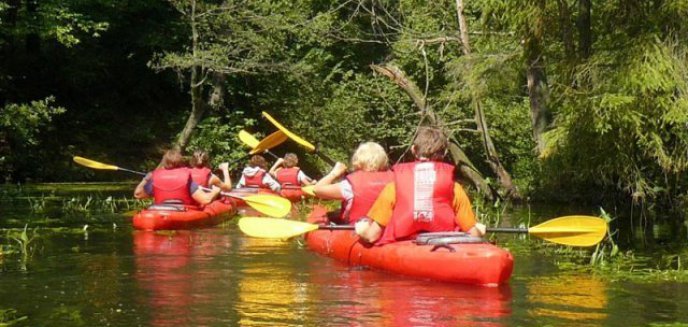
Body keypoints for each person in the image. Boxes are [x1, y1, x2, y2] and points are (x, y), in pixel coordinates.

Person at [355, 127, 486, 245]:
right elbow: (472, 235)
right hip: (442, 247)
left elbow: (372, 236)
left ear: (413, 150)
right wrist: (480, 230)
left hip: (405, 248)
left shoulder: (394, 187)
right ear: (445, 153)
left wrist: (362, 229)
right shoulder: (454, 188)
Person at [313, 142, 393, 224]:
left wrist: (334, 173)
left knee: (319, 215)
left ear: (358, 159)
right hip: (385, 231)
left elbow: (317, 189)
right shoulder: (395, 180)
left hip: (356, 232)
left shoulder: (349, 186)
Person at [134, 149, 220, 206]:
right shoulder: (186, 177)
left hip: (160, 211)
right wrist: (215, 192)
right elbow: (205, 200)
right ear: (180, 163)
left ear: (164, 163)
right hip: (182, 212)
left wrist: (145, 179)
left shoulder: (155, 177)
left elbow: (138, 194)